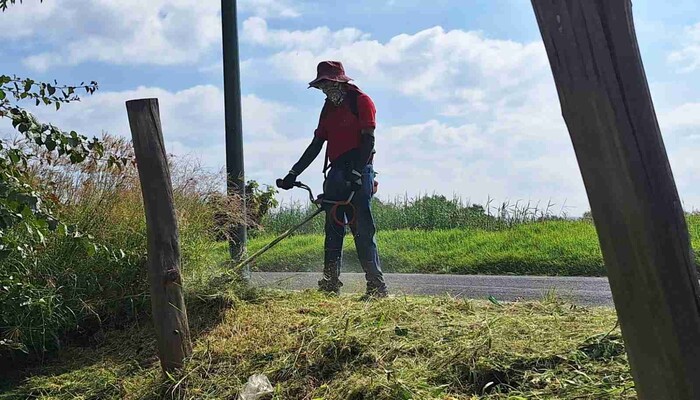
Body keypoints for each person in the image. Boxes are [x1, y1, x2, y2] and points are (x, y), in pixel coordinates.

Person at [278, 61, 388, 299]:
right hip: (336, 174)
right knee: (333, 232)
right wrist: (293, 173)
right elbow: (317, 144)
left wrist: (358, 173)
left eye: (328, 84)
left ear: (340, 82)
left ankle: (376, 287)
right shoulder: (328, 109)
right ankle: (330, 284)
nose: (325, 90)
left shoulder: (361, 101)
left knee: (362, 232)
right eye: (322, 86)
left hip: (359, 171)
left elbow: (368, 140)